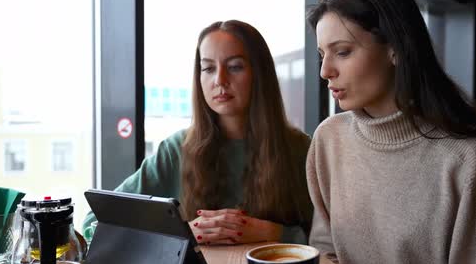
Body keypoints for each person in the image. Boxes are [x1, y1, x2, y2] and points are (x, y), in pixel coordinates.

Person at [306, 0, 476, 264]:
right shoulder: (329, 139)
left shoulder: (470, 153)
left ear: (395, 47)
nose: (325, 71)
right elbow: (325, 251)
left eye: (343, 52)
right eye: (322, 54)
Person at [83, 20, 313, 245]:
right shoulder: (176, 149)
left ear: (259, 73)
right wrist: (180, 235)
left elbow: (333, 239)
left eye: (235, 67)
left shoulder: (301, 149)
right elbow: (94, 223)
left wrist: (275, 233)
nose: (220, 80)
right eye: (208, 68)